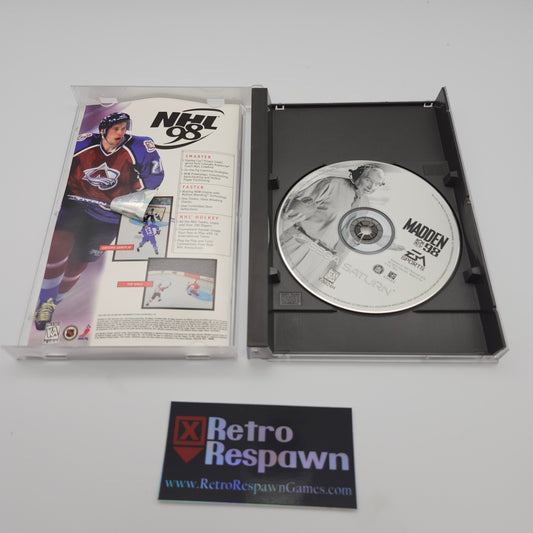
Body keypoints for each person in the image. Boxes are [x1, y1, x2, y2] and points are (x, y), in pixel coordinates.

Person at [34, 112, 165, 330]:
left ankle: (54, 303)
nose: (121, 133)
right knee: (58, 244)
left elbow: (154, 180)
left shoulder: (140, 147)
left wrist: (128, 201)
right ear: (103, 130)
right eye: (116, 129)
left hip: (107, 215)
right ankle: (45, 301)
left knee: (78, 263)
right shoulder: (84, 143)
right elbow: (57, 166)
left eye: (124, 128)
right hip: (76, 203)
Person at [278, 164, 385, 280]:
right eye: (368, 180)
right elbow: (290, 207)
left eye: (377, 184)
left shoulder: (366, 204)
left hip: (323, 259)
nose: (371, 187)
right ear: (358, 175)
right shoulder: (332, 184)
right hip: (298, 243)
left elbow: (348, 237)